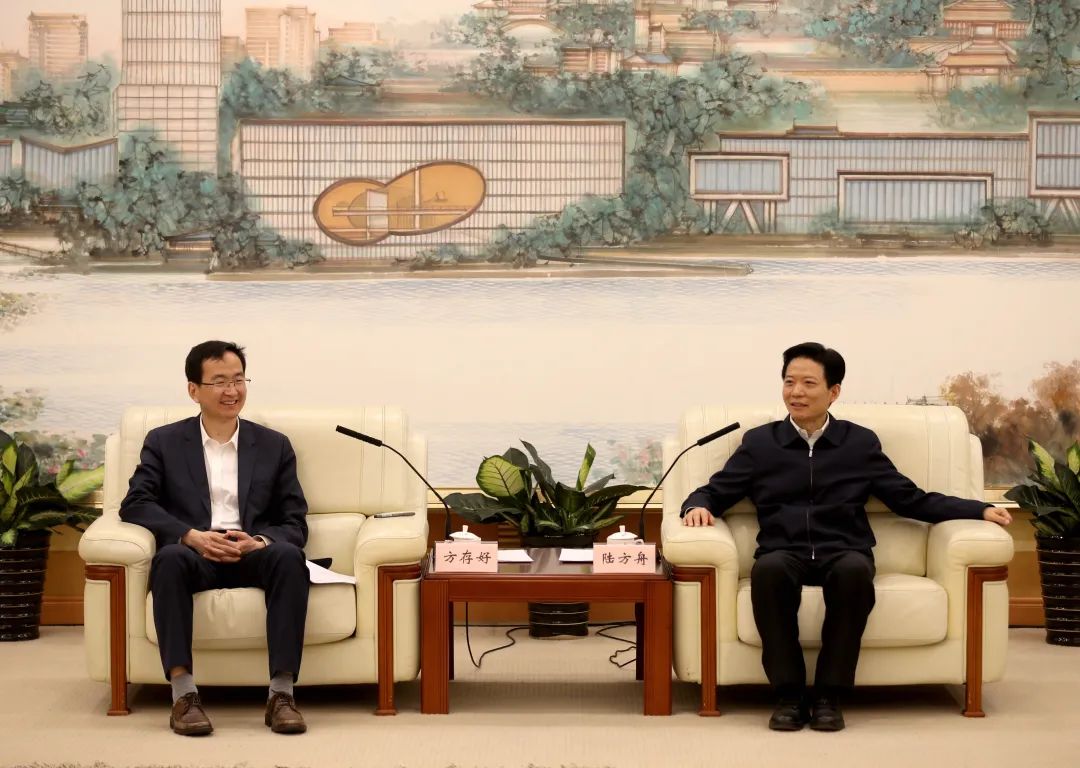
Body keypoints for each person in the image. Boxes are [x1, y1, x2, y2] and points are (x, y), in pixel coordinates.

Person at [681, 342, 1011, 732]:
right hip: (783, 549)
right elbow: (716, 491)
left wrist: (977, 509)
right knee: (768, 573)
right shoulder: (760, 443)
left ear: (834, 391)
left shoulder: (859, 443)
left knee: (853, 573)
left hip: (844, 549)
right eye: (789, 382)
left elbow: (909, 499)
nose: (796, 392)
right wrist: (696, 505)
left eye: (808, 383)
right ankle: (788, 696)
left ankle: (828, 696)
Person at [120, 341, 310, 736]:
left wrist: (259, 541)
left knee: (289, 557)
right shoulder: (164, 441)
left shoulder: (274, 445)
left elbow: (294, 521)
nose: (232, 391)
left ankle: (281, 695)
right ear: (194, 390)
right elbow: (135, 503)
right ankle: (184, 696)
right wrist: (189, 536)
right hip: (196, 553)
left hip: (250, 551)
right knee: (168, 559)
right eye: (219, 382)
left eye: (239, 380)